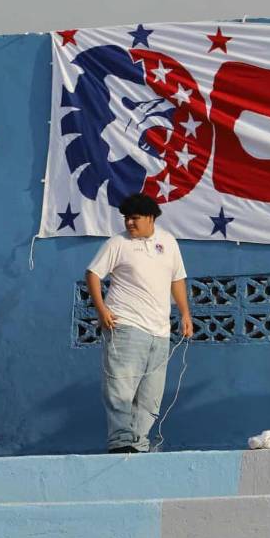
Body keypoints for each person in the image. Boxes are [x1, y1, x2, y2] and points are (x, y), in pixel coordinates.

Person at [85, 193, 193, 454]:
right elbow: (93, 274)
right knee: (121, 386)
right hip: (126, 325)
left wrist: (185, 314)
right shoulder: (118, 243)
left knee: (150, 394)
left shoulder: (168, 242)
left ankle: (139, 444)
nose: (129, 224)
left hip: (160, 330)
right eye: (126, 219)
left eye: (135, 218)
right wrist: (102, 310)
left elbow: (176, 279)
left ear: (151, 218)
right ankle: (121, 442)